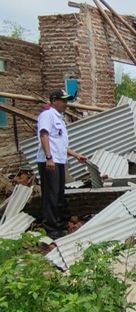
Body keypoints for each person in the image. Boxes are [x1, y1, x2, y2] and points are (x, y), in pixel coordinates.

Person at [37, 89, 86, 239]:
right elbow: (43, 135)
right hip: (49, 162)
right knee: (51, 195)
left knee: (58, 195)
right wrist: (49, 157)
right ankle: (51, 229)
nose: (66, 104)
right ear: (54, 101)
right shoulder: (47, 115)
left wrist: (76, 155)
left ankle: (59, 225)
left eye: (66, 101)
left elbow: (60, 144)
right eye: (63, 100)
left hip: (58, 161)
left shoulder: (60, 118)